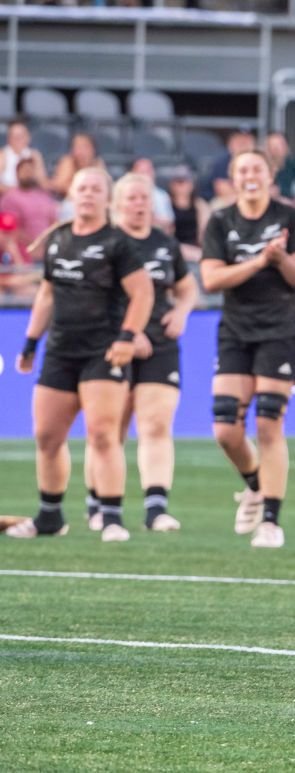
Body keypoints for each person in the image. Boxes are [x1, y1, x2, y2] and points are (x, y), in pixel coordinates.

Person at [7, 166, 154, 542]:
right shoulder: (57, 239)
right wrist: (30, 343)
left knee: (102, 433)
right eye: (81, 189)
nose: (87, 194)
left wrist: (126, 338)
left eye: (94, 189)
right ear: (72, 195)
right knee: (46, 436)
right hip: (60, 351)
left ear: (107, 198)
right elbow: (47, 295)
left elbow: (143, 294)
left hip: (102, 353)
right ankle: (50, 517)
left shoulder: (118, 243)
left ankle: (112, 517)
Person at [200, 148, 295, 549]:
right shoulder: (220, 221)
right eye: (242, 169)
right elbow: (211, 280)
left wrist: (280, 259)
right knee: (226, 429)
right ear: (233, 177)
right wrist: (258, 261)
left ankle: (271, 520)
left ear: (270, 176)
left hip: (280, 330)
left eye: (257, 169)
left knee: (268, 424)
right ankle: (253, 485)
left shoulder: (290, 218)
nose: (250, 175)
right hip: (235, 331)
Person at [82, 173, 199, 533]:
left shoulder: (165, 244)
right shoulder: (105, 243)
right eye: (131, 198)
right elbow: (88, 299)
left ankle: (155, 509)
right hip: (111, 343)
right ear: (116, 204)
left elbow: (187, 287)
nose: (138, 204)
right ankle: (99, 503)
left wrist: (181, 311)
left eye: (144, 198)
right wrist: (128, 335)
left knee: (156, 423)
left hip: (160, 342)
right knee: (108, 429)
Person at [0, 157, 59, 263]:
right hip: (22, 252)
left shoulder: (44, 197)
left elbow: (54, 223)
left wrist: (44, 245)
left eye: (30, 170)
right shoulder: (10, 197)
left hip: (46, 251)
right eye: (24, 170)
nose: (28, 173)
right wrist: (33, 245)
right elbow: (9, 230)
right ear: (17, 173)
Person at [167, 164, 209, 263]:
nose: (182, 186)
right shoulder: (166, 204)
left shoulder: (200, 205)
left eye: (186, 181)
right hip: (175, 247)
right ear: (172, 184)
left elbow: (204, 233)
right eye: (179, 182)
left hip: (195, 246)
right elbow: (167, 236)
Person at [203, 129, 256, 204]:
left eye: (247, 141)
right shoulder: (222, 161)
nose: (243, 145)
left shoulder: (258, 161)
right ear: (231, 143)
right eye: (240, 141)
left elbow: (270, 189)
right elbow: (224, 191)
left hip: (247, 198)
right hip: (221, 200)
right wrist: (253, 189)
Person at [50, 133, 106, 200]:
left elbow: (102, 189)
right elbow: (59, 186)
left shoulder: (98, 164)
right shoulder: (68, 162)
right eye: (77, 147)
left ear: (93, 149)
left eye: (85, 147)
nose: (80, 152)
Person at [0, 119, 48, 195]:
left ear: (28, 137)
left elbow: (43, 183)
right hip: (9, 197)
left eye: (21, 136)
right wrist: (19, 191)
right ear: (8, 138)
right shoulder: (2, 155)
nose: (18, 139)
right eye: (14, 136)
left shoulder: (35, 155)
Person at [130, 158, 176, 236]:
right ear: (133, 173)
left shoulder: (162, 195)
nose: (145, 174)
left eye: (148, 170)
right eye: (141, 171)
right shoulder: (126, 194)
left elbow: (170, 223)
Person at [266, 132, 295, 203]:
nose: (275, 149)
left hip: (288, 203)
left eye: (279, 145)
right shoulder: (261, 165)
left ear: (286, 147)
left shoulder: (291, 163)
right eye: (271, 145)